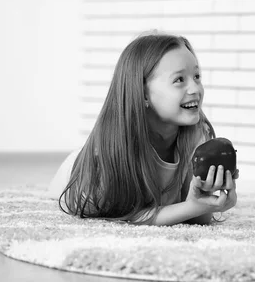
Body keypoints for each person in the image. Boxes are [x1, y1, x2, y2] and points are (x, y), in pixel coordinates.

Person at [48, 32, 238, 226]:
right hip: (81, 179)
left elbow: (192, 215)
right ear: (143, 94)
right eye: (179, 79)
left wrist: (207, 201)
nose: (195, 88)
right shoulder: (111, 152)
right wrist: (190, 207)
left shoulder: (196, 135)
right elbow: (125, 215)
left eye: (196, 76)